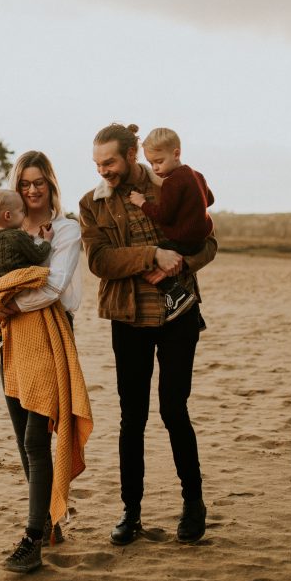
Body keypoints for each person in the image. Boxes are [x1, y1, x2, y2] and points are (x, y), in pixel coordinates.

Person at [78, 123, 217, 546]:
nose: (104, 170)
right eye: (98, 164)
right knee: (131, 418)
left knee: (175, 412)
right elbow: (99, 261)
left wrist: (183, 264)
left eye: (111, 162)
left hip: (179, 315)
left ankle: (193, 505)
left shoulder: (172, 184)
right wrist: (151, 255)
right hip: (129, 318)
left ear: (132, 154)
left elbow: (208, 242)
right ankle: (130, 513)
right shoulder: (91, 204)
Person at [0, 150, 91, 574]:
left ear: (51, 184)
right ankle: (51, 520)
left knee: (37, 441)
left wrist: (6, 301)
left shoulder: (65, 230)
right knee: (24, 437)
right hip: (7, 339)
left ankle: (31, 540)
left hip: (50, 337)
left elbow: (53, 287)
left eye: (40, 182)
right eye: (25, 183)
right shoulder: (5, 228)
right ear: (15, 190)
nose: (33, 189)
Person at [127, 127, 214, 322]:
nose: (155, 168)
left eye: (159, 162)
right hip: (199, 240)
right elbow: (210, 200)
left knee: (146, 259)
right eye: (151, 163)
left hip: (183, 240)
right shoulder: (196, 174)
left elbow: (163, 215)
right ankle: (181, 300)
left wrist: (142, 202)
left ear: (176, 154)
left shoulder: (172, 182)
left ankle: (176, 294)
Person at [0, 187, 55, 281]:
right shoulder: (17, 236)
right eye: (21, 211)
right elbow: (39, 256)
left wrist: (28, 238)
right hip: (13, 281)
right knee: (44, 273)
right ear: (8, 215)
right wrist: (47, 240)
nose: (24, 214)